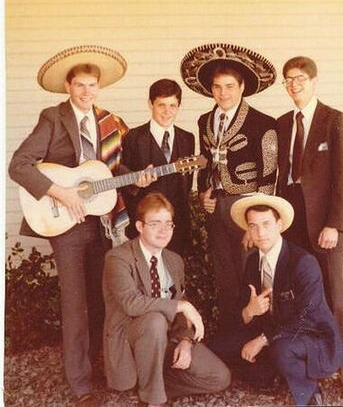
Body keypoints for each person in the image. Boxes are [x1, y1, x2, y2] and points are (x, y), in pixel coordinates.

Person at [8, 45, 154, 406]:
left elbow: (110, 176)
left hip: (103, 223)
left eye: (92, 86)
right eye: (80, 86)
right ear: (68, 88)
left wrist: (139, 180)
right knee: (76, 304)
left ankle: (106, 367)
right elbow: (19, 165)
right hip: (67, 224)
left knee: (103, 298)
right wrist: (60, 192)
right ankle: (81, 384)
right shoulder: (53, 119)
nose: (86, 93)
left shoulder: (110, 122)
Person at [208, 193, 343, 406]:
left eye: (266, 224)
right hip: (273, 330)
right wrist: (249, 311)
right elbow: (241, 311)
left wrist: (262, 339)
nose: (260, 233)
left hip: (310, 335)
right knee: (218, 344)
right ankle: (270, 373)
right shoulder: (253, 261)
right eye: (253, 226)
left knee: (281, 349)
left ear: (279, 225)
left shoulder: (303, 262)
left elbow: (307, 317)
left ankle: (309, 392)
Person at [276, 56, 343, 399]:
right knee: (298, 296)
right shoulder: (283, 123)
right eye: (288, 80)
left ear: (313, 80)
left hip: (325, 225)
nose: (294, 85)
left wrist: (333, 225)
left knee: (335, 297)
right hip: (292, 221)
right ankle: (309, 364)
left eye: (300, 79)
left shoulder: (334, 120)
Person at [180, 43, 278, 331]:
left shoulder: (263, 123)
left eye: (230, 86)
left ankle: (259, 344)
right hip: (217, 211)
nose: (224, 93)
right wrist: (204, 194)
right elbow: (205, 162)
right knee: (224, 277)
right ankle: (232, 341)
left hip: (246, 209)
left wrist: (256, 223)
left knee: (253, 277)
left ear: (242, 86)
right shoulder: (205, 121)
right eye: (218, 87)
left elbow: (269, 177)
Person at [103, 192, 231, 407]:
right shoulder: (118, 258)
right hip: (130, 339)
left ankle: (153, 383)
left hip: (165, 339)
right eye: (155, 224)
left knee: (219, 377)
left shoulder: (174, 261)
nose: (163, 230)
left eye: (168, 224)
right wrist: (182, 306)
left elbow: (179, 302)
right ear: (140, 226)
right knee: (154, 320)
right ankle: (152, 399)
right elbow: (132, 303)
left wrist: (185, 340)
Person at [122, 78, 195, 255]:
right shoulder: (133, 137)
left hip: (177, 228)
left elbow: (186, 186)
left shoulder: (187, 138)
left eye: (173, 105)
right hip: (144, 227)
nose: (167, 112)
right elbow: (122, 178)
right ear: (150, 104)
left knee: (174, 279)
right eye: (161, 105)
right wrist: (136, 183)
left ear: (179, 106)